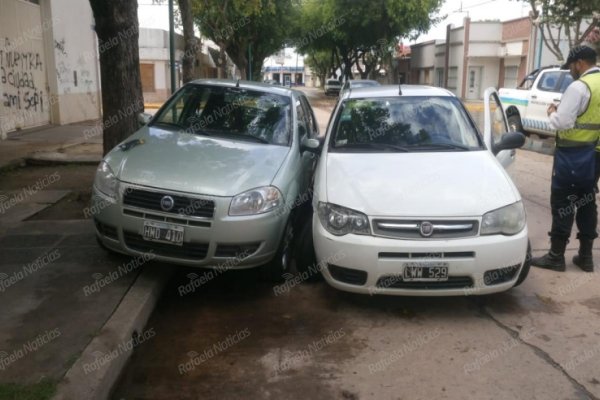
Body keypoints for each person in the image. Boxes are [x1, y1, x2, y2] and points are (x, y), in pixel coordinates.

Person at [532, 45, 600, 273]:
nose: (570, 71)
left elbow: (563, 123)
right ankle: (585, 257)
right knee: (587, 201)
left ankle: (556, 257)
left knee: (563, 202)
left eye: (571, 66)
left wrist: (553, 113)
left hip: (573, 155)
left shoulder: (579, 87)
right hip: (595, 155)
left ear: (579, 63)